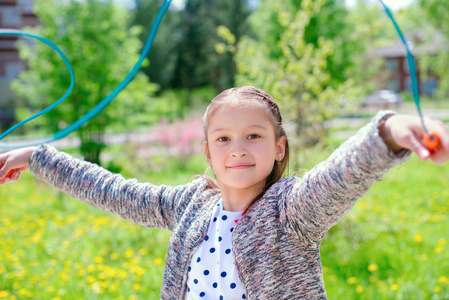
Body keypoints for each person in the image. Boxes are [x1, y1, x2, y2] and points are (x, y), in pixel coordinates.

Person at [0, 86, 448, 299]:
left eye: (253, 136)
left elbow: (341, 173)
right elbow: (110, 188)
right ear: (208, 152)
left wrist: (390, 132)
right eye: (223, 139)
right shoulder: (188, 206)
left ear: (278, 148)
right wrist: (36, 158)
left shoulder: (292, 211)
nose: (237, 150)